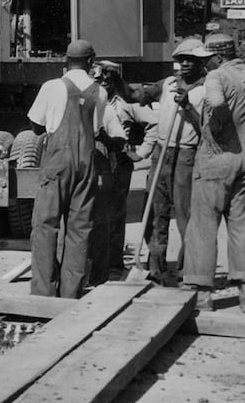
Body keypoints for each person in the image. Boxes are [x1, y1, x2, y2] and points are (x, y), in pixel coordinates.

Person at [27, 39, 123, 298]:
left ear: (65, 61)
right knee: (80, 228)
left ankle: (44, 292)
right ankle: (71, 293)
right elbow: (108, 131)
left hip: (58, 161)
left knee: (46, 225)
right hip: (86, 162)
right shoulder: (100, 92)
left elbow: (36, 126)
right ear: (91, 62)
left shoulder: (51, 87)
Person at [138, 38, 211, 282]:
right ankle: (156, 268)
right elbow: (135, 94)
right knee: (155, 210)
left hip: (187, 154)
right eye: (183, 60)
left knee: (185, 215)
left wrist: (188, 107)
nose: (187, 64)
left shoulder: (207, 88)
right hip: (162, 150)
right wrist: (117, 83)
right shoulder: (167, 83)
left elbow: (209, 130)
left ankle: (187, 270)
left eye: (193, 60)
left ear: (202, 63)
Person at [182, 37, 245, 311]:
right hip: (243, 158)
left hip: (216, 159)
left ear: (218, 58)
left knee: (203, 224)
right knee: (241, 224)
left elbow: (217, 103)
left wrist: (215, 128)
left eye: (206, 57)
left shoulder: (216, 76)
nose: (202, 62)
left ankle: (202, 293)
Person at [91, 60, 149, 279]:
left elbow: (152, 124)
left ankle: (114, 264)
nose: (104, 79)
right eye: (100, 75)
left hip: (120, 161)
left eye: (109, 76)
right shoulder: (96, 99)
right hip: (100, 159)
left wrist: (140, 153)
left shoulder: (126, 103)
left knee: (114, 214)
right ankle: (98, 261)